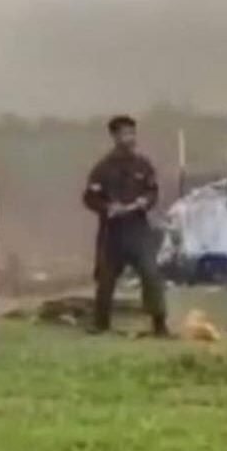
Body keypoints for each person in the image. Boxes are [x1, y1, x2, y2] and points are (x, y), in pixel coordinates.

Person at [82, 116, 170, 337]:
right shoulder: (102, 168)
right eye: (124, 134)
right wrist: (108, 208)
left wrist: (145, 202)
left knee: (151, 273)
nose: (130, 138)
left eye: (132, 133)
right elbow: (90, 198)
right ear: (114, 137)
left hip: (138, 229)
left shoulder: (143, 165)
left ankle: (159, 324)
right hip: (112, 231)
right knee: (105, 279)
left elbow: (152, 190)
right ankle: (101, 324)